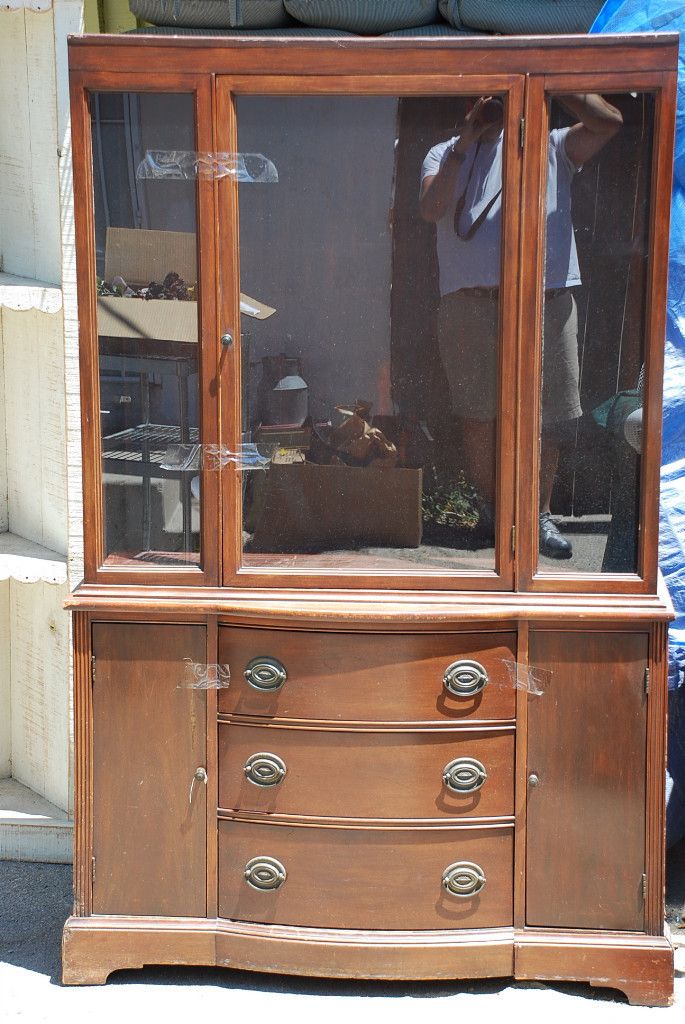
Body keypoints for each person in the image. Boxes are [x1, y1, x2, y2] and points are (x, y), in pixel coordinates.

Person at [419, 94, 623, 557]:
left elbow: (609, 123)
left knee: (548, 416)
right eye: (483, 98)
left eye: (499, 98)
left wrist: (554, 82)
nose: (491, 106)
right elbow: (431, 208)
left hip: (545, 299)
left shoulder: (550, 145)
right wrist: (468, 139)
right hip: (471, 303)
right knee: (478, 415)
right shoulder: (443, 151)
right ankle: (497, 515)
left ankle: (538, 516)